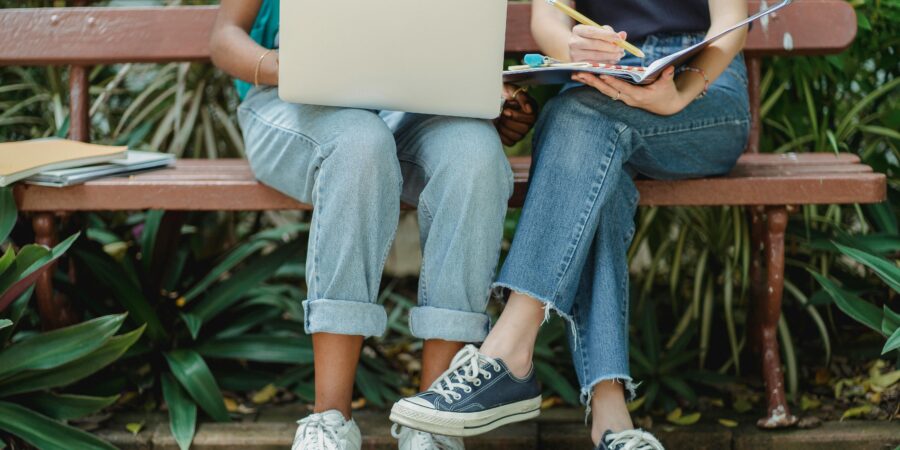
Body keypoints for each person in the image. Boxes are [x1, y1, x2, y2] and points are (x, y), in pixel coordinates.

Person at [391, 0, 752, 448]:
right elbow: (549, 21)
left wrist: (681, 90)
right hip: (604, 80)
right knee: (595, 164)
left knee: (575, 118)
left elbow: (732, 23)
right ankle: (613, 425)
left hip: (701, 86)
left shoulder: (691, 82)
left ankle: (508, 352)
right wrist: (576, 47)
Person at [209, 1, 537, 449]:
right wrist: (291, 69)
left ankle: (435, 423)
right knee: (360, 145)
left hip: (411, 103)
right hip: (291, 100)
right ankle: (330, 420)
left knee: (474, 156)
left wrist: (484, 98)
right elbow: (224, 37)